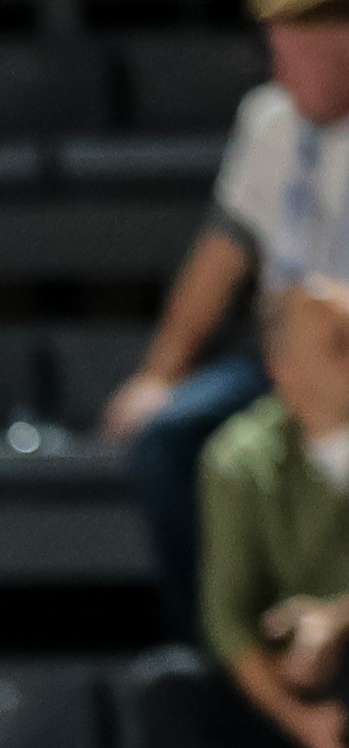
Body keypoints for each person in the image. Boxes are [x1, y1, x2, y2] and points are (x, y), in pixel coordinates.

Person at [106, 274, 349, 748]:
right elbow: (226, 623)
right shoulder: (237, 458)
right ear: (283, 371)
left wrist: (337, 620)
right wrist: (308, 726)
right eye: (339, 345)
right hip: (287, 705)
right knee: (170, 686)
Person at [102, 0, 349, 639]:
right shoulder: (270, 121)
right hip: (280, 359)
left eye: (295, 44)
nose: (280, 66)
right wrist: (160, 372)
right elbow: (221, 255)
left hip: (345, 364)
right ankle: (219, 654)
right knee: (169, 437)